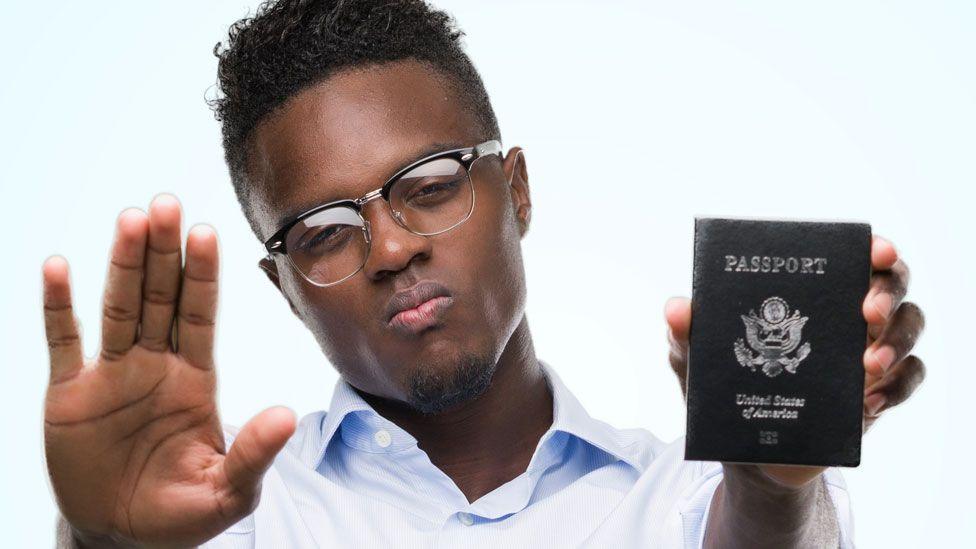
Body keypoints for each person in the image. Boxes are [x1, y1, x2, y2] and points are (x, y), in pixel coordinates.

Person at [41, 0, 926, 547]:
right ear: (287, 290)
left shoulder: (689, 501)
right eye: (324, 232)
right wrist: (99, 541)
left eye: (428, 186)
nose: (392, 250)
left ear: (518, 191)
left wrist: (765, 485)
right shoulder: (236, 521)